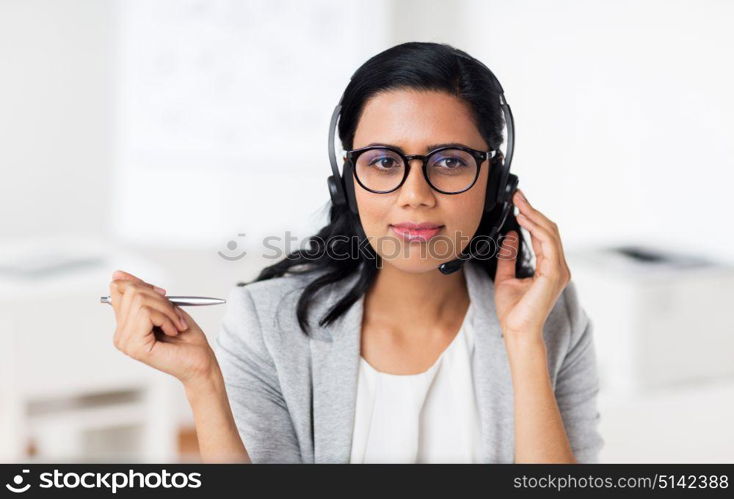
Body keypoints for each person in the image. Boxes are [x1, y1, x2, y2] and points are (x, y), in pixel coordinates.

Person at [107, 42, 604, 464]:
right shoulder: (267, 323)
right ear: (346, 181)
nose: (414, 194)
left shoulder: (550, 319)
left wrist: (523, 344)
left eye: (450, 161)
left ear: (495, 181)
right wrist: (203, 383)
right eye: (384, 161)